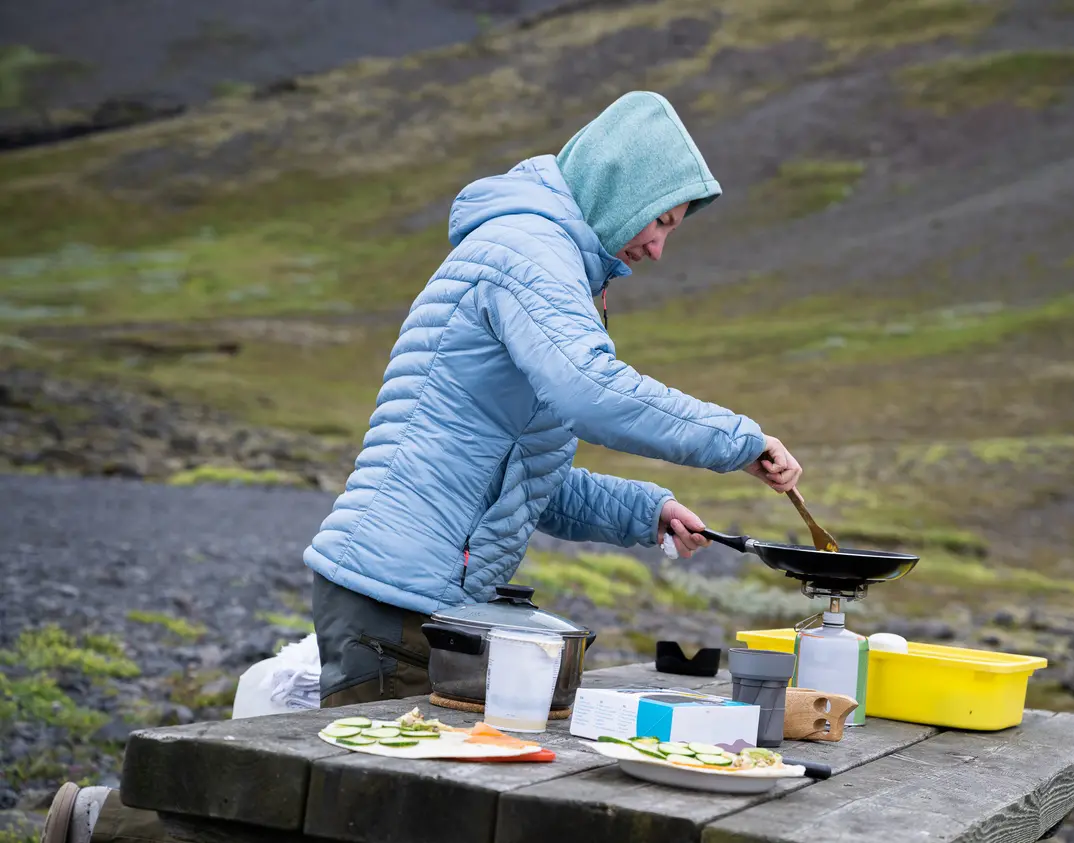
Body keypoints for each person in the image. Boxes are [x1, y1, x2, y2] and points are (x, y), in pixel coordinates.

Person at [41, 89, 802, 843]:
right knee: (372, 814)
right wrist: (739, 439)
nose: (659, 247)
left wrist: (645, 510)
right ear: (617, 187)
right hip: (396, 592)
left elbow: (521, 477)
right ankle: (106, 823)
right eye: (659, 219)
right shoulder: (526, 253)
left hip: (417, 595)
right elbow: (589, 388)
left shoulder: (550, 262)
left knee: (362, 806)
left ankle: (101, 819)